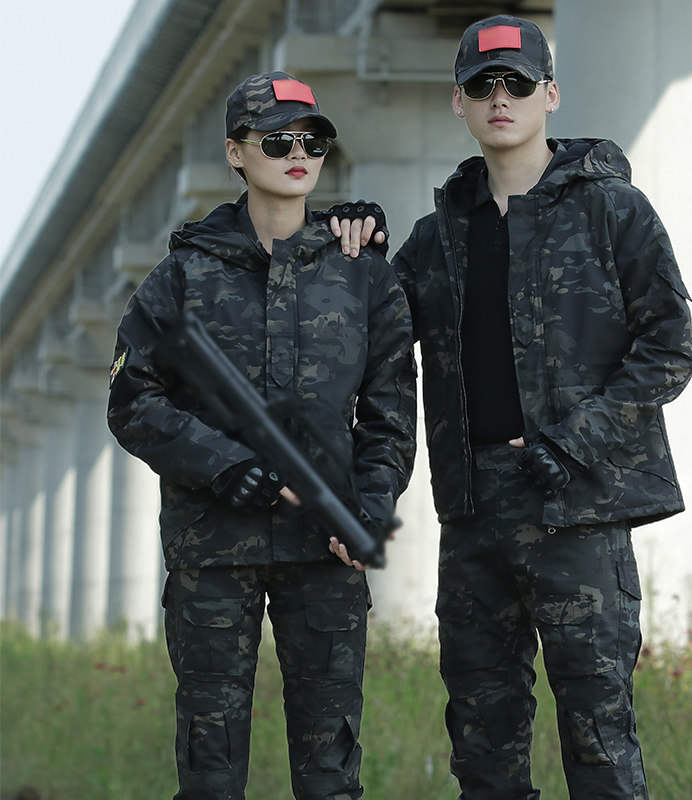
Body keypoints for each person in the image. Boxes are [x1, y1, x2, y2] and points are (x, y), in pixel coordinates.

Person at [330, 15, 692, 800]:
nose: (501, 98)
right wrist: (353, 240)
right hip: (473, 520)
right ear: (458, 102)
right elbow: (365, 336)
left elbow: (669, 348)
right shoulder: (437, 239)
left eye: (519, 83)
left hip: (578, 510)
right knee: (482, 753)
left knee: (599, 744)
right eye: (482, 85)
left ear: (550, 95)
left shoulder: (612, 211)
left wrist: (572, 442)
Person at [107, 71, 416, 800]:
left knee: (331, 772)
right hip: (213, 552)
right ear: (235, 153)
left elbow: (390, 415)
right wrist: (221, 465)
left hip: (325, 550)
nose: (298, 153)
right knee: (210, 772)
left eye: (312, 139)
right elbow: (132, 400)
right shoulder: (181, 278)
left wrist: (371, 506)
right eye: (276, 141)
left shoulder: (363, 276)